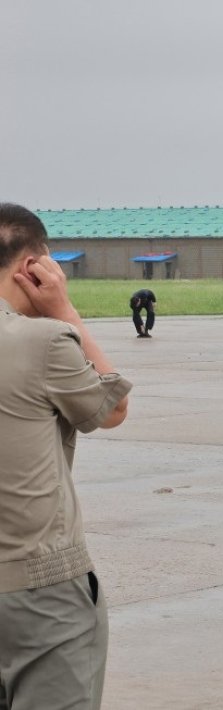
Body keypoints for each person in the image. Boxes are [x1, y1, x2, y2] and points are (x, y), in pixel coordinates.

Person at [0, 203, 131, 709]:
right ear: (34, 267)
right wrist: (65, 312)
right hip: (38, 589)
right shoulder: (44, 339)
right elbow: (113, 408)